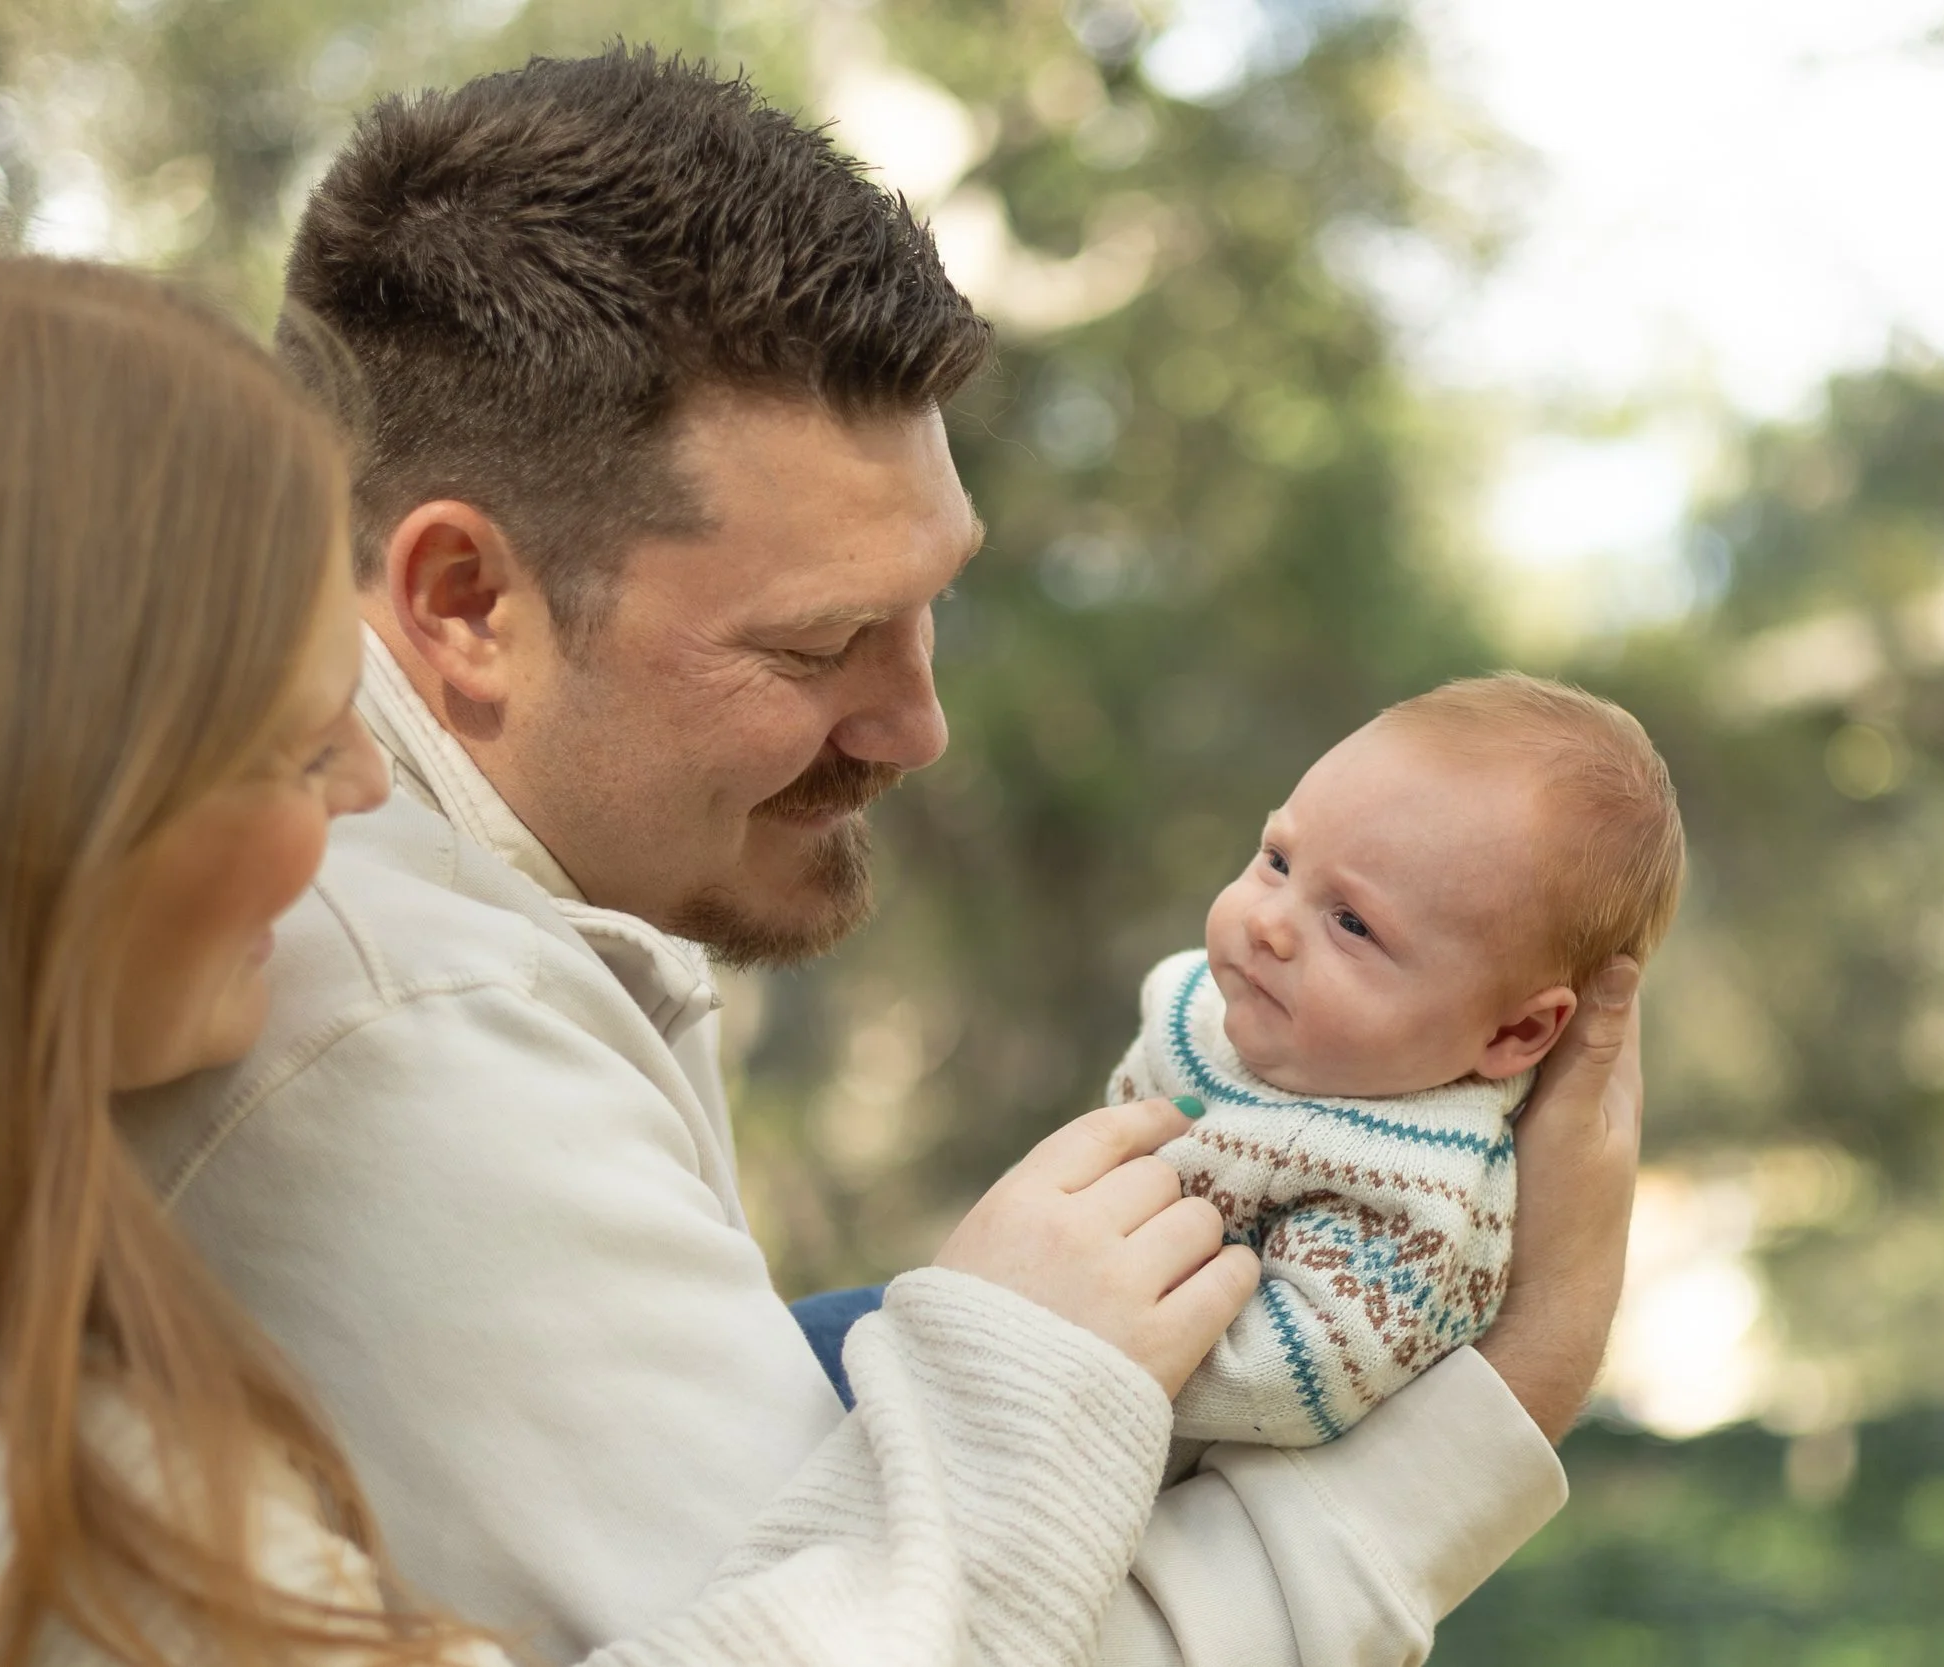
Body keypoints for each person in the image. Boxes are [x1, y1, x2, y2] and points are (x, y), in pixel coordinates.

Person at [0, 234, 1248, 1665]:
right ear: (5, 807)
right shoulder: (28, 1502)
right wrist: (1026, 1399)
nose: (349, 789)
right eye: (270, 740)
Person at [127, 46, 1645, 1667]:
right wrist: (1514, 1384)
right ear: (464, 604)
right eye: (823, 642)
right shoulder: (396, 1029)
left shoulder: (476, 894)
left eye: (933, 603)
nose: (919, 723)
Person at [1104, 674, 1684, 1447]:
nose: (1271, 922)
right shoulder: (1215, 999)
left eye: (1351, 922)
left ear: (1513, 1033)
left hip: (1140, 1465)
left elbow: (1292, 1379)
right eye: (1277, 859)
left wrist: (1082, 1339)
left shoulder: (1417, 1181)